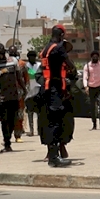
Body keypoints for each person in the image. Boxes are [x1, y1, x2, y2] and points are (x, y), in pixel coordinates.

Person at [39, 25, 74, 167]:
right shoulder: (59, 48)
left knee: (50, 121)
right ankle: (54, 158)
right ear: (61, 35)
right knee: (56, 122)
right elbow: (71, 65)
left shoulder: (46, 49)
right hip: (55, 89)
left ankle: (54, 155)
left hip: (46, 88)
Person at [0, 43, 24, 153]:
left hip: (14, 95)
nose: (0, 56)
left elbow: (18, 76)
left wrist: (24, 89)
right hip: (2, 97)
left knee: (13, 119)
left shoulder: (13, 61)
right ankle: (7, 142)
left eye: (2, 53)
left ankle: (9, 137)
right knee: (4, 121)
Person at [9, 45, 29, 142]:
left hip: (19, 93)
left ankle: (18, 134)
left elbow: (26, 79)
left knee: (19, 114)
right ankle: (7, 136)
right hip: (7, 92)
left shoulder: (22, 64)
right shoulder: (5, 64)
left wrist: (26, 91)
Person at [83, 50, 100, 130]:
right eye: (94, 56)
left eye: (97, 56)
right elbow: (85, 78)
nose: (95, 58)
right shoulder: (87, 66)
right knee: (92, 106)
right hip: (91, 87)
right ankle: (94, 124)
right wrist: (86, 86)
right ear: (91, 57)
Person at [24, 50, 41, 137]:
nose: (32, 58)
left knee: (38, 112)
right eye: (31, 57)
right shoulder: (26, 66)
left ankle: (39, 130)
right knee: (30, 111)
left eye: (34, 57)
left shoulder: (39, 65)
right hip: (29, 91)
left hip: (38, 89)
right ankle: (31, 130)